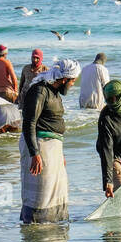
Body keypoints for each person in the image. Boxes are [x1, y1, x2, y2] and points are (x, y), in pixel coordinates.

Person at [20, 58, 80, 224]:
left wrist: (61, 154)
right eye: (72, 81)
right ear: (63, 79)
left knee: (57, 190)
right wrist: (35, 153)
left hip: (52, 149)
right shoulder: (39, 91)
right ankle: (36, 225)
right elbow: (29, 123)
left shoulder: (54, 93)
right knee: (42, 191)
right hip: (39, 146)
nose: (73, 85)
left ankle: (53, 223)